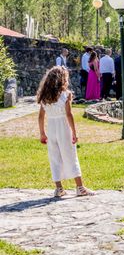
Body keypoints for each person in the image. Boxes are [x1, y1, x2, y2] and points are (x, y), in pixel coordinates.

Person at [37, 66, 95, 198]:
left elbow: (41, 116)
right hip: (63, 127)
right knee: (70, 155)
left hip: (51, 128)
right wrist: (74, 132)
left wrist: (42, 133)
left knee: (54, 157)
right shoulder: (66, 95)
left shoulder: (45, 97)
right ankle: (80, 187)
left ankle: (59, 188)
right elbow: (69, 115)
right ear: (62, 79)